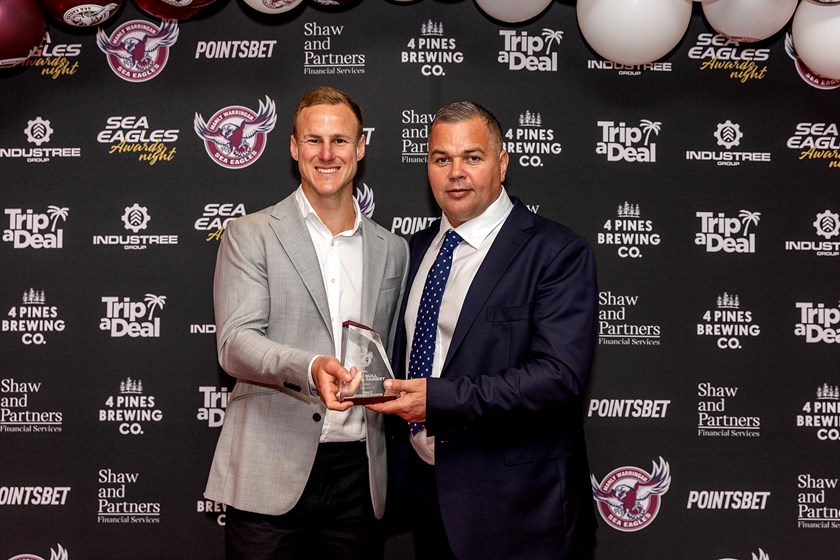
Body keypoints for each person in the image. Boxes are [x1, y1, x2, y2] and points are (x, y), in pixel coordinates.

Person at [365, 101, 599, 559]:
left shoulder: (556, 252)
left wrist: (437, 399)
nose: (456, 173)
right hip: (429, 499)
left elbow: (558, 378)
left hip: (520, 511)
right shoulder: (411, 251)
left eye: (472, 157)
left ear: (502, 162)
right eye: (441, 159)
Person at [204, 86, 408, 560]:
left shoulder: (392, 248)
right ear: (294, 148)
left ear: (361, 147)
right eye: (313, 140)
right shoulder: (250, 234)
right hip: (269, 470)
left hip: (360, 475)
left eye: (340, 140)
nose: (327, 153)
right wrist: (310, 365)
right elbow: (234, 343)